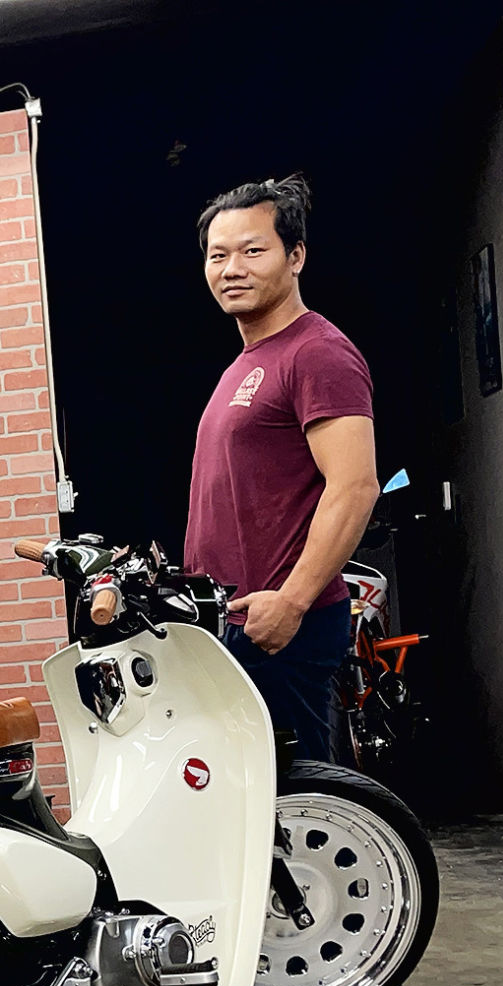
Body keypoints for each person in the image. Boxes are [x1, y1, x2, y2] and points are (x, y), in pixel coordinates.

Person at [187, 174, 379, 763]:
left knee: (299, 815)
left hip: (282, 629)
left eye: (253, 250)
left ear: (295, 256)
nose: (232, 268)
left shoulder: (316, 353)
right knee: (248, 819)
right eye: (218, 255)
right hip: (236, 625)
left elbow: (355, 486)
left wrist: (292, 602)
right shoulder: (248, 361)